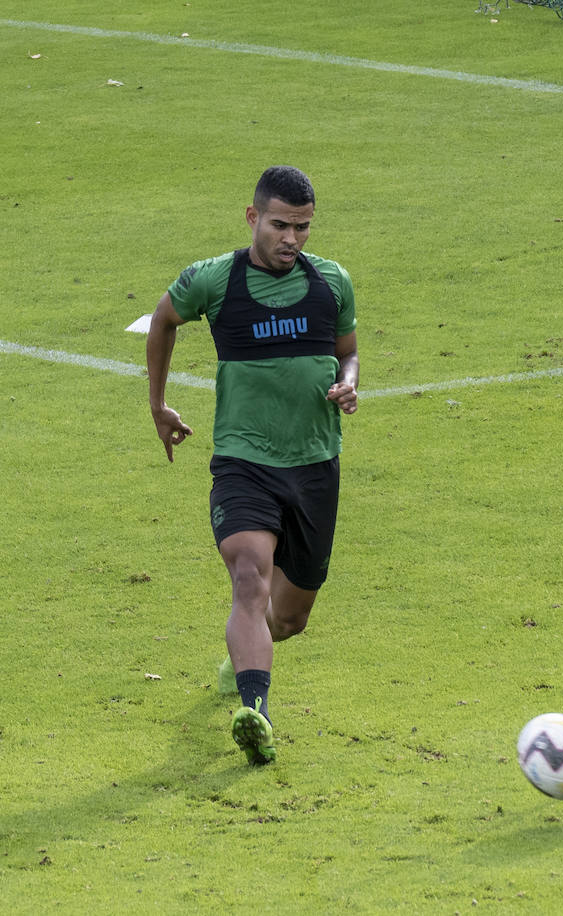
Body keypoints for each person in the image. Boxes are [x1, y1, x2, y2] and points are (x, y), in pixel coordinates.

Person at [146, 165, 359, 765]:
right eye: (280, 225)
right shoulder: (215, 280)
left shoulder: (332, 283)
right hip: (244, 462)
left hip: (316, 464)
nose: (292, 239)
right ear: (252, 218)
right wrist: (159, 404)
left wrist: (348, 384)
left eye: (303, 228)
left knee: (288, 618)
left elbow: (349, 353)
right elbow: (163, 320)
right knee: (248, 575)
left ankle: (246, 650)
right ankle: (255, 712)